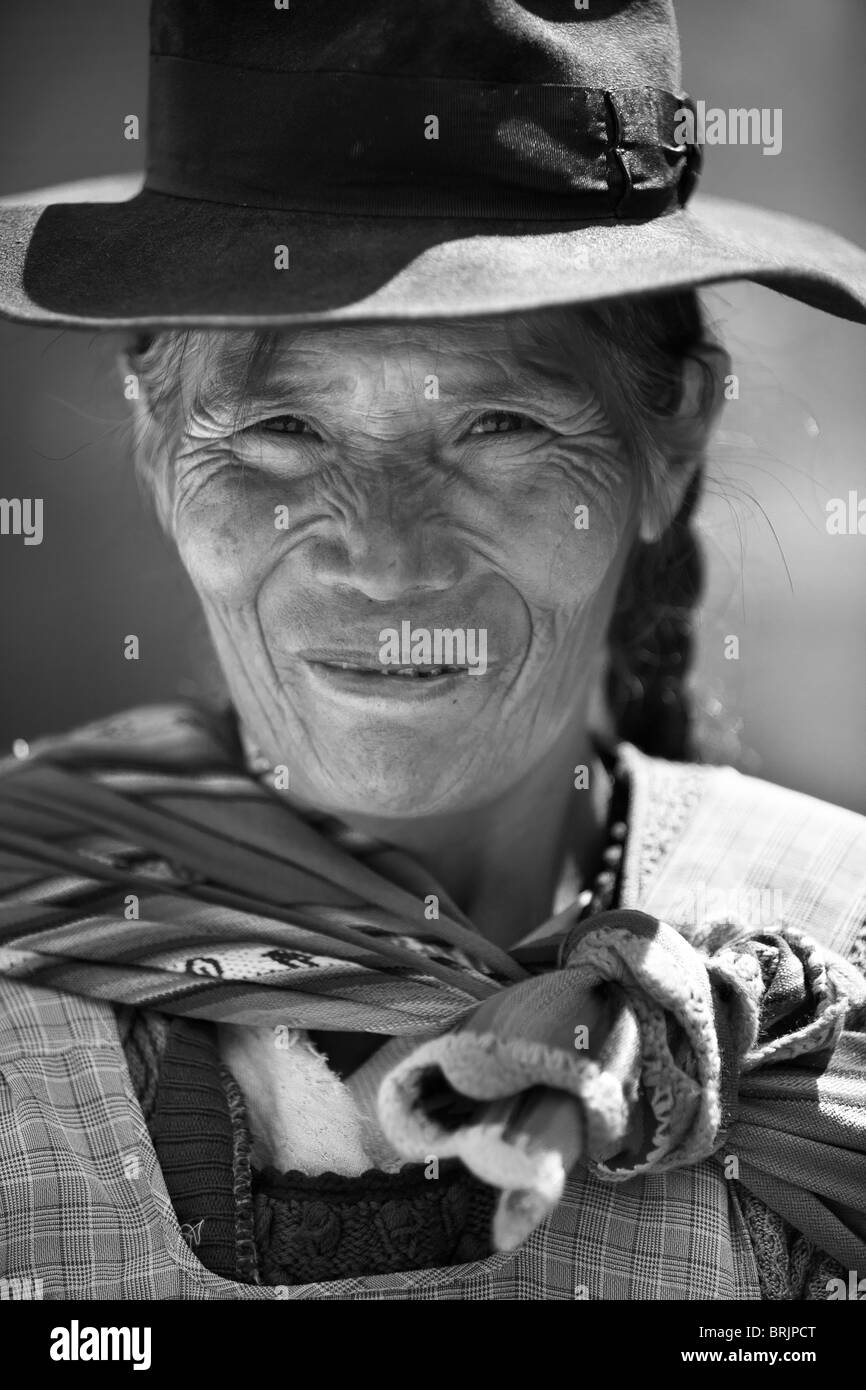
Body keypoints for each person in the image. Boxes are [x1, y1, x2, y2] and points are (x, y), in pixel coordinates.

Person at [0, 0, 864, 1301]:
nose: (390, 562)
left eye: (501, 423)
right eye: (281, 426)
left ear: (667, 445)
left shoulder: (835, 954)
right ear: (154, 444)